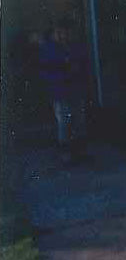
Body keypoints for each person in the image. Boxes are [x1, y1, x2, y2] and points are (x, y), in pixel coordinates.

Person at [38, 17, 90, 164]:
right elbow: (45, 71)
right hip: (59, 91)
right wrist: (63, 69)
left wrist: (77, 70)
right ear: (54, 33)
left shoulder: (76, 47)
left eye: (66, 32)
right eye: (59, 33)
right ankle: (65, 154)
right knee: (64, 122)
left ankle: (81, 151)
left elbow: (84, 65)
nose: (63, 36)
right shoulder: (48, 48)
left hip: (76, 89)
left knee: (80, 120)